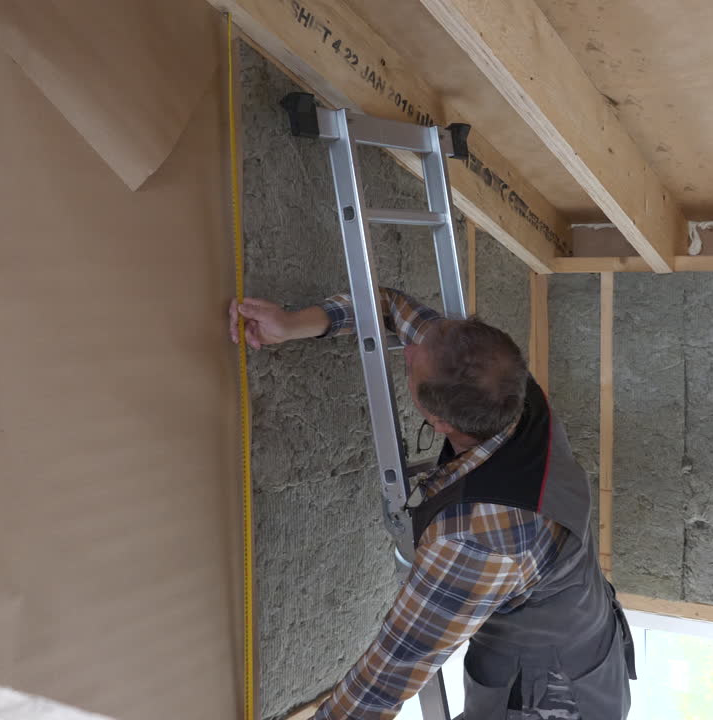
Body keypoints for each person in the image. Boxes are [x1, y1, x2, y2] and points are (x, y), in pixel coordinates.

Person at [230, 287, 635, 720]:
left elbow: (390, 672)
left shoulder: (480, 537)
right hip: (585, 647)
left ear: (438, 422)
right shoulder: (510, 390)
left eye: (410, 369)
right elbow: (386, 305)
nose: (406, 354)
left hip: (552, 704)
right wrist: (294, 323)